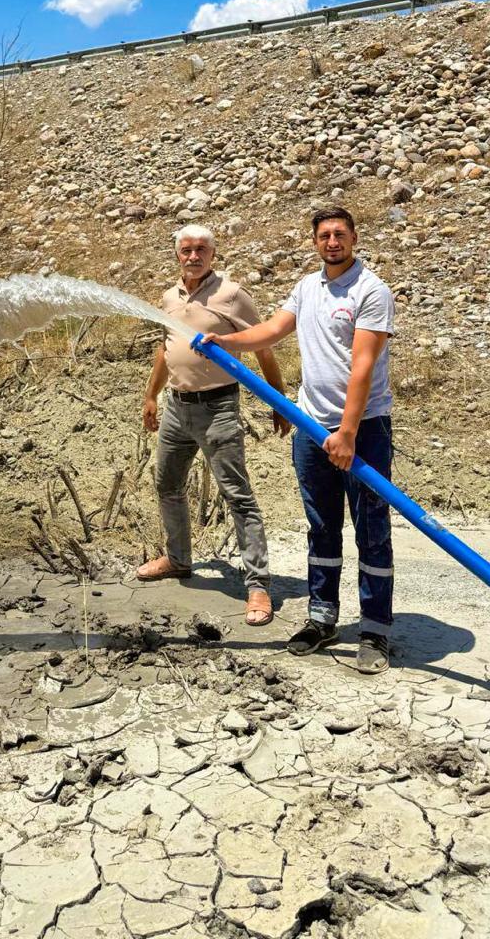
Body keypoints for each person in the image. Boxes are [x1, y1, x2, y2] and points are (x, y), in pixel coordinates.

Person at [199, 207, 395, 674]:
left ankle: (375, 630)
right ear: (315, 242)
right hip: (309, 427)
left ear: (353, 238)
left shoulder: (372, 291)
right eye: (324, 235)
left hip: (362, 428)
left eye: (340, 235)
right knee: (321, 525)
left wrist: (346, 432)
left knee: (371, 531)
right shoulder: (308, 288)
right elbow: (271, 330)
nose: (332, 242)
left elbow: (363, 368)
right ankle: (322, 618)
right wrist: (224, 342)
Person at [138, 224, 291, 626]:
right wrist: (151, 395)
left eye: (201, 250)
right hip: (176, 406)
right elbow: (165, 347)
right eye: (186, 250)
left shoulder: (233, 295)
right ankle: (178, 559)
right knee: (167, 485)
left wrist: (279, 402)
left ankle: (257, 585)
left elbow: (262, 346)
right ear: (177, 255)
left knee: (237, 495)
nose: (193, 256)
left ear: (213, 253)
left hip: (218, 408)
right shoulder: (169, 297)